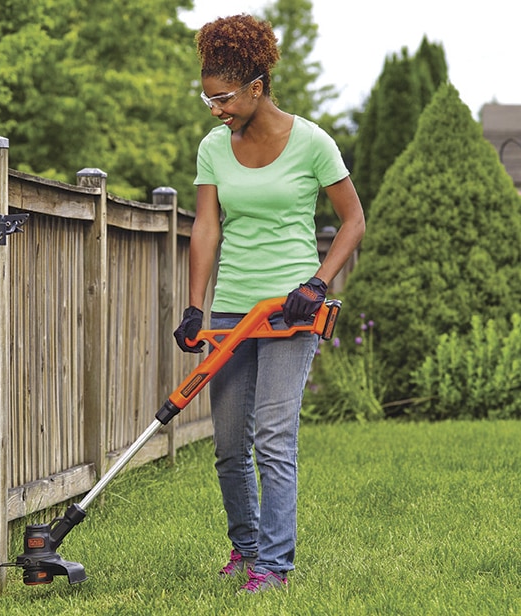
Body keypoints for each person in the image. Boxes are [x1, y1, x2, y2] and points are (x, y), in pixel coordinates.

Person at [173, 14, 365, 593]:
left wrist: (319, 283)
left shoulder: (311, 142)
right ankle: (246, 548)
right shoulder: (213, 147)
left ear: (257, 86)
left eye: (224, 99)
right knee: (230, 446)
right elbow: (206, 229)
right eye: (208, 100)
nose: (216, 111)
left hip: (290, 312)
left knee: (274, 437)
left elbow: (353, 220)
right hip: (233, 309)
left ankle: (275, 568)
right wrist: (193, 307)